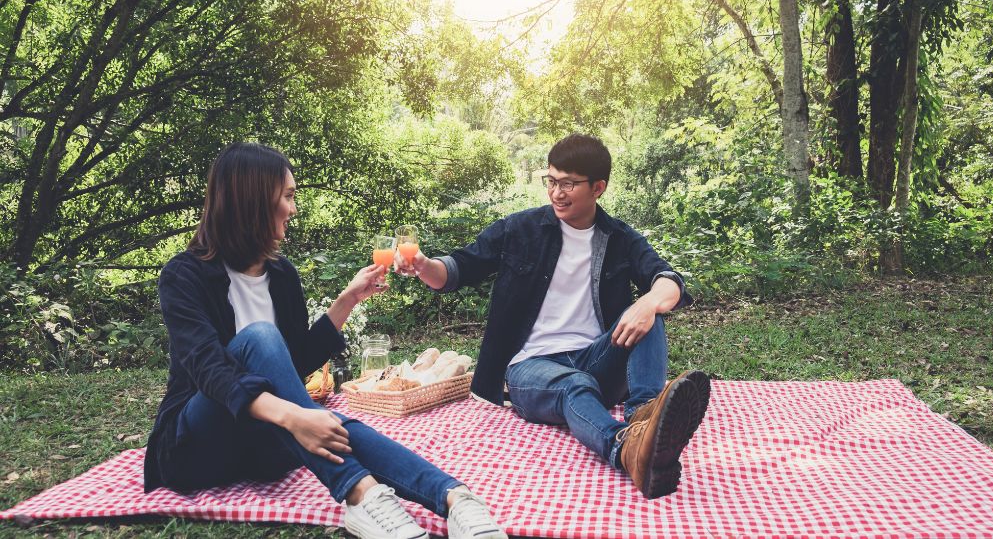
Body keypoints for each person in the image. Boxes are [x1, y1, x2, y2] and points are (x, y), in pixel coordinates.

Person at [144, 142, 506, 539]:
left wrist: (348, 300)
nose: (293, 209)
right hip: (196, 447)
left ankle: (456, 500)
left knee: (327, 419)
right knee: (263, 342)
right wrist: (293, 416)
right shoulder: (184, 275)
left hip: (263, 451)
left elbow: (294, 362)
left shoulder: (281, 275)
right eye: (287, 196)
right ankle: (362, 494)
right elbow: (208, 371)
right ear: (252, 199)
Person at [397, 133, 710, 499]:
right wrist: (423, 265)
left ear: (598, 188)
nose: (557, 192)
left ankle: (644, 418)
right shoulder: (520, 229)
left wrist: (648, 302)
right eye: (552, 181)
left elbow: (669, 281)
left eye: (568, 184)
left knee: (648, 314)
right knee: (574, 386)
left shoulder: (619, 238)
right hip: (532, 367)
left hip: (594, 358)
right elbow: (457, 269)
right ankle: (624, 447)